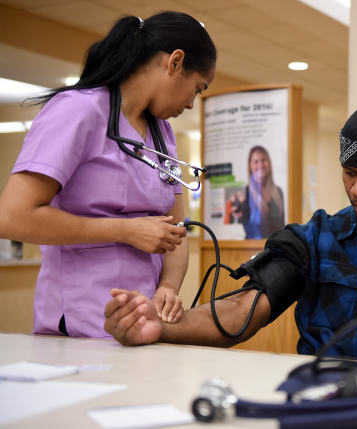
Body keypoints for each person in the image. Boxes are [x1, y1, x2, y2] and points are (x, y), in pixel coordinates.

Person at [103, 100, 357, 359]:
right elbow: (239, 312)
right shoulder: (317, 238)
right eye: (350, 172)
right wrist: (161, 326)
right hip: (320, 403)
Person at [0, 12, 217, 338]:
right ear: (174, 62)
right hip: (82, 321)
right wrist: (125, 230)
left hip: (144, 321)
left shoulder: (163, 133)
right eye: (198, 89)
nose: (191, 104)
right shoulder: (78, 110)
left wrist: (168, 287)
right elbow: (12, 216)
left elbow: (176, 231)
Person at [241, 146, 285, 239]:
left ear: (269, 162)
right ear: (250, 165)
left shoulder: (278, 192)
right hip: (254, 249)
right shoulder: (245, 194)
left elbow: (282, 226)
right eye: (256, 161)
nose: (260, 165)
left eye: (263, 160)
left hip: (276, 248)